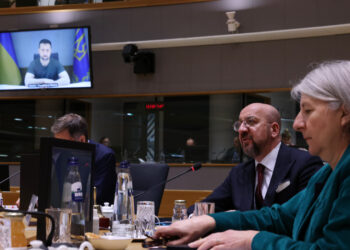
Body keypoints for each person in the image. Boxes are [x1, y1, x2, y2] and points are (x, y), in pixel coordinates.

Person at [155, 60, 350, 249]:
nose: (298, 124)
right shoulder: (327, 174)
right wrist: (208, 221)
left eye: (308, 110)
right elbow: (279, 217)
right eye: (239, 124)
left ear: (344, 113)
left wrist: (252, 241)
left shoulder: (325, 169)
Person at [187, 103, 323, 214]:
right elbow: (207, 206)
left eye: (250, 122)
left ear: (274, 130)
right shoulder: (239, 173)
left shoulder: (305, 163)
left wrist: (235, 219)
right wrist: (190, 217)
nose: (241, 130)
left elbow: (302, 217)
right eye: (239, 124)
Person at [51, 113, 116, 205]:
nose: (58, 147)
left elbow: (98, 196)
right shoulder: (61, 155)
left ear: (81, 140)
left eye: (62, 143)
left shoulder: (104, 156)